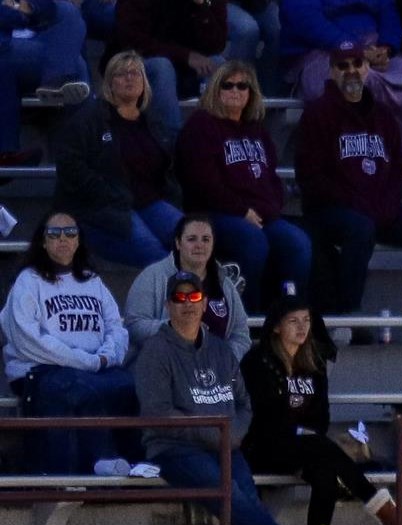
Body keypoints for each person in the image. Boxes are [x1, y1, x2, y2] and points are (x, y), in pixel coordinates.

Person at [133, 269, 312, 525]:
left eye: (195, 297)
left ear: (204, 304)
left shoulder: (220, 350)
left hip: (225, 444)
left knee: (247, 499)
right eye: (180, 297)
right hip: (175, 449)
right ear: (168, 306)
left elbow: (243, 404)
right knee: (231, 496)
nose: (188, 304)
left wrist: (232, 434)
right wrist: (216, 433)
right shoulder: (155, 352)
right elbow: (158, 414)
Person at [241, 287, 402, 525]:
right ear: (276, 328)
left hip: (307, 446)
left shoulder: (314, 362)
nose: (302, 327)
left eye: (306, 320)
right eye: (293, 321)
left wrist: (305, 434)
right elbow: (267, 416)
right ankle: (379, 505)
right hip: (266, 445)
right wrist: (302, 434)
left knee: (326, 475)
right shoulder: (258, 361)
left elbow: (321, 415)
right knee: (321, 449)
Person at [294, 42, 402, 324]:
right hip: (330, 211)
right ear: (332, 72)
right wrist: (357, 203)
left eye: (357, 64)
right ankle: (347, 314)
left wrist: (387, 204)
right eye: (343, 66)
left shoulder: (382, 115)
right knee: (360, 228)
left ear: (367, 69)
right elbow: (310, 176)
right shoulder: (317, 113)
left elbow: (397, 170)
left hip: (378, 209)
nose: (351, 71)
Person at [1, 211, 140, 477]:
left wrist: (106, 357)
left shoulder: (92, 281)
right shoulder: (28, 281)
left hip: (93, 367)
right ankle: (95, 463)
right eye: (54, 234)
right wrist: (85, 361)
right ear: (43, 241)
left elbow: (117, 329)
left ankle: (133, 465)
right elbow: (28, 340)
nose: (62, 239)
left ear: (78, 240)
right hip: (40, 370)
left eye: (70, 233)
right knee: (78, 387)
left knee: (130, 386)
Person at [174, 62, 312, 312]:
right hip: (216, 213)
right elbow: (202, 184)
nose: (235, 91)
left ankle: (288, 312)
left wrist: (269, 210)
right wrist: (242, 211)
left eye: (242, 85)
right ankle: (246, 315)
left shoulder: (257, 130)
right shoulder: (200, 126)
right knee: (252, 241)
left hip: (259, 215)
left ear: (251, 92)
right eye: (227, 85)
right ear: (216, 89)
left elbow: (271, 179)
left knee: (297, 242)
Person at [281, 0, 402, 169]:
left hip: (373, 47)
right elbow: (303, 17)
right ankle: (361, 168)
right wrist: (353, 49)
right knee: (362, 81)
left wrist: (386, 47)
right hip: (322, 50)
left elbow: (387, 10)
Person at [53, 51, 182, 267]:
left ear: (144, 82)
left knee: (193, 240)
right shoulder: (89, 119)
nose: (129, 78)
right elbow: (70, 165)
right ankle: (175, 298)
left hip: (150, 203)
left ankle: (205, 297)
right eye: (121, 74)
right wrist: (106, 192)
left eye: (135, 73)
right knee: (157, 257)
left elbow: (167, 171)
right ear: (109, 83)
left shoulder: (153, 123)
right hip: (104, 208)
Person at [125, 214, 251, 360]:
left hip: (215, 375)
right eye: (192, 239)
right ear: (178, 243)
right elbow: (134, 326)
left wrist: (225, 360)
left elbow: (241, 334)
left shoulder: (225, 284)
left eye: (206, 239)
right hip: (164, 371)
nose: (199, 245)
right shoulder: (153, 276)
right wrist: (174, 328)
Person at [113, 0, 237, 132]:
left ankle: (216, 138)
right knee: (162, 67)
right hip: (147, 62)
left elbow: (217, 45)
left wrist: (203, 9)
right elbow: (134, 41)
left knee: (218, 64)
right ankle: (170, 140)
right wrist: (185, 56)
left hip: (189, 66)